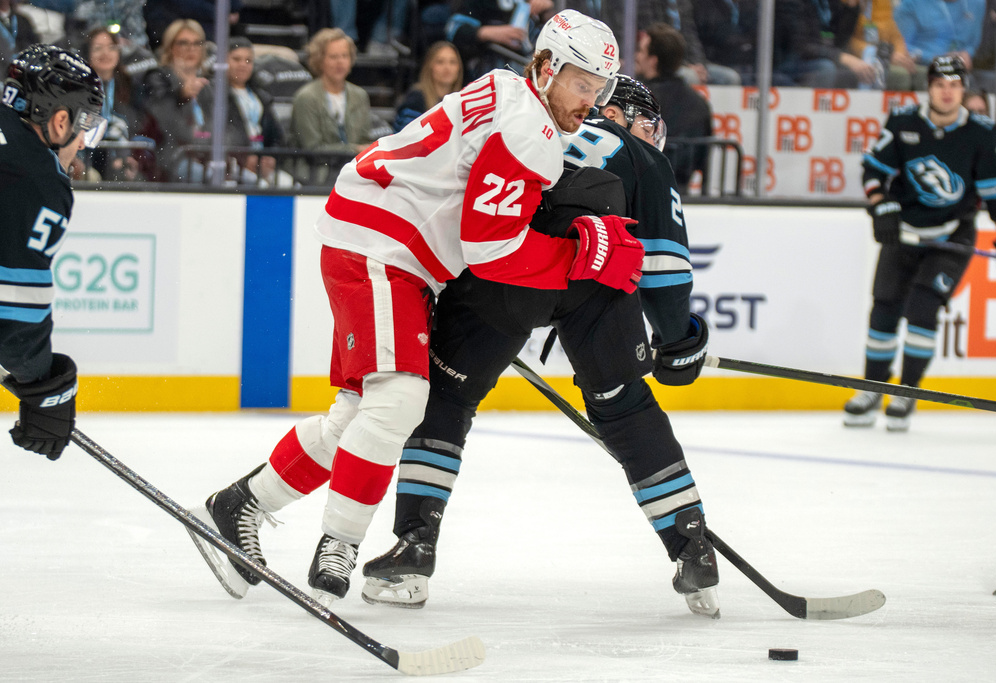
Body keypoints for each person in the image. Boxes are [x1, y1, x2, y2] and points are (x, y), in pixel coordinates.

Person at [190, 9, 643, 607]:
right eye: (582, 82)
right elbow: (490, 247)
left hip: (377, 235)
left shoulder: (511, 91)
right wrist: (580, 256)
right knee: (401, 398)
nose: (591, 99)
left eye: (600, 88)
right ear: (546, 67)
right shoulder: (529, 131)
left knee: (359, 414)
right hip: (383, 245)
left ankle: (238, 505)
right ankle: (340, 545)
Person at [359, 75, 721, 619]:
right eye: (644, 120)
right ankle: (691, 545)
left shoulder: (526, 129)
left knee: (447, 400)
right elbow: (664, 273)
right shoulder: (642, 157)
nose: (651, 133)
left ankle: (414, 549)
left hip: (505, 277)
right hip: (595, 282)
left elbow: (459, 217)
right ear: (615, 113)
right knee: (624, 406)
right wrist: (679, 343)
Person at [843, 55, 996, 432]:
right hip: (904, 232)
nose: (947, 92)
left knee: (923, 309)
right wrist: (883, 208)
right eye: (940, 85)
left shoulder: (983, 133)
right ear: (929, 87)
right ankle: (871, 388)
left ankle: (907, 392)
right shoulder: (904, 121)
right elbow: (873, 170)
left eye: (954, 85)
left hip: (951, 235)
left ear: (963, 88)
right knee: (885, 309)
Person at [0, 44, 106, 460]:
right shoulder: (36, 179)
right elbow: (13, 311)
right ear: (60, 120)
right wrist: (44, 386)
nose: (82, 143)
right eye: (85, 127)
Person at [634, 22, 712, 191]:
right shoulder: (699, 103)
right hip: (681, 192)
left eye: (641, 51)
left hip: (642, 192)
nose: (637, 56)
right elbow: (703, 160)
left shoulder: (637, 99)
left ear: (653, 61)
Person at [289, 27, 372, 185]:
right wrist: (353, 150)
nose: (340, 62)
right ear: (320, 60)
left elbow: (364, 139)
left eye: (344, 56)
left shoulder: (360, 96)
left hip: (353, 173)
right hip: (316, 175)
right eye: (333, 57)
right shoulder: (306, 97)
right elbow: (312, 149)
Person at [140, 19, 213, 182]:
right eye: (183, 43)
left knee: (243, 178)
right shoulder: (157, 77)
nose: (191, 49)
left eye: (196, 43)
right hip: (170, 156)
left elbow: (218, 123)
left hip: (205, 156)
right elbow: (162, 119)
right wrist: (181, 95)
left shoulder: (207, 84)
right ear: (170, 47)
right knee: (204, 176)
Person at [221, 36, 289, 187]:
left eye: (248, 60)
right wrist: (244, 157)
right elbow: (222, 133)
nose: (242, 65)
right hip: (233, 166)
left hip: (261, 164)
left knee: (290, 185)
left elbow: (277, 136)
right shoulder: (216, 94)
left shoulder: (261, 97)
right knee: (260, 187)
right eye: (236, 59)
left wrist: (271, 157)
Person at [82, 26, 145, 181]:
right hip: (88, 153)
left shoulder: (130, 84)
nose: (105, 53)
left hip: (120, 152)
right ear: (88, 54)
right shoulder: (80, 87)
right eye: (98, 48)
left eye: (111, 47)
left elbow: (134, 123)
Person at [392, 40, 462, 131]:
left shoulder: (462, 101)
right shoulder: (415, 100)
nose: (447, 68)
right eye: (440, 62)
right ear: (429, 66)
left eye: (452, 62)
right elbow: (407, 138)